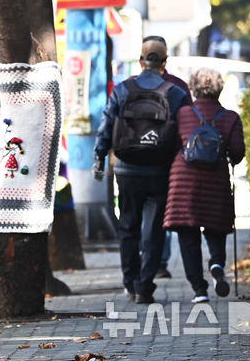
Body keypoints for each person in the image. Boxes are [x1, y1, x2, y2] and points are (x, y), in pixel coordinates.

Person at [93, 38, 190, 303]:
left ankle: (130, 283)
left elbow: (106, 125)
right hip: (160, 170)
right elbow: (186, 133)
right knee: (155, 230)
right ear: (164, 63)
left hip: (127, 169)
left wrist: (100, 157)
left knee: (128, 226)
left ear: (140, 61)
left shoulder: (123, 90)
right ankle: (145, 284)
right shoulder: (175, 93)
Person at [163, 67, 245, 303]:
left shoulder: (183, 114)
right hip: (215, 179)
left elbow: (171, 144)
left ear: (194, 88)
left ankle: (199, 290)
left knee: (188, 235)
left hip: (183, 181)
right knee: (215, 227)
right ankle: (217, 263)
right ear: (219, 88)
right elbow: (238, 153)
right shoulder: (230, 117)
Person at [140, 36, 193, 279]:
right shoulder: (179, 87)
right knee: (164, 212)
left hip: (134, 160)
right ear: (165, 59)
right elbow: (188, 124)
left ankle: (142, 267)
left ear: (141, 59)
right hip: (169, 161)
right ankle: (158, 262)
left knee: (139, 215)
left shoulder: (129, 85)